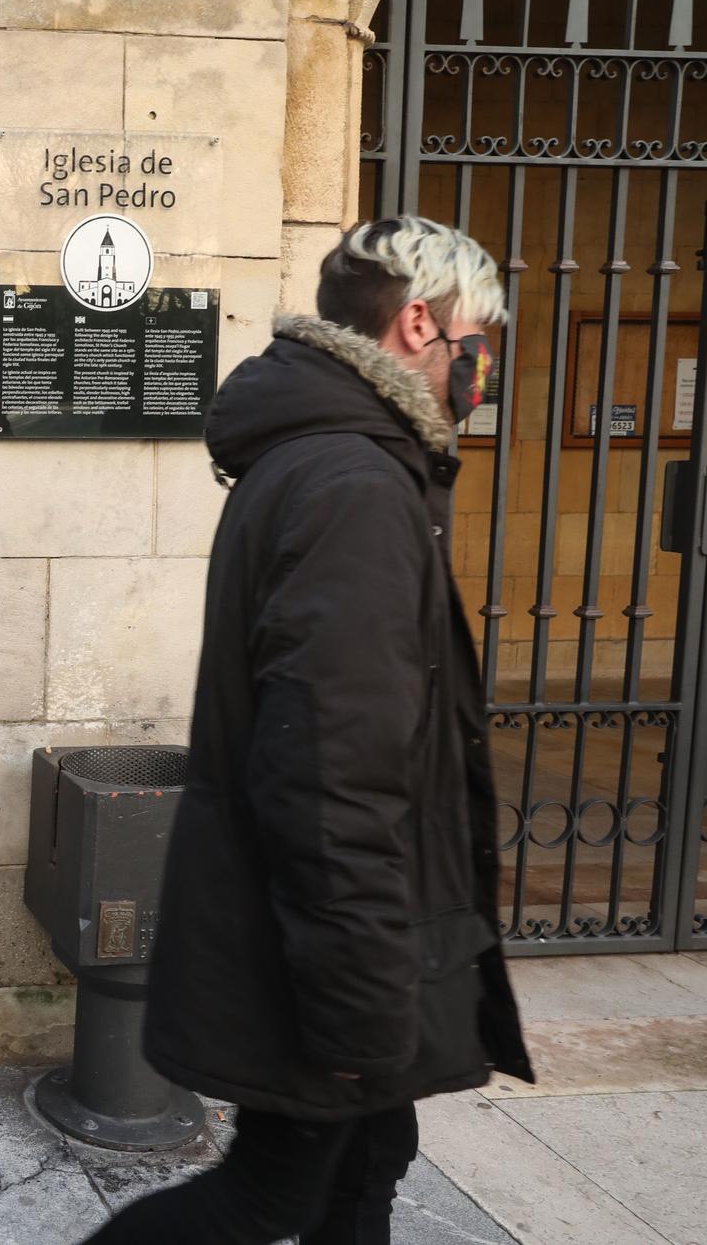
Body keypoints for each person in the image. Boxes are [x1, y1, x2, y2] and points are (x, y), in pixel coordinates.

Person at [83, 218, 533, 1244]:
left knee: (367, 1160)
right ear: (418, 322)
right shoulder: (353, 486)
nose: (485, 363)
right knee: (265, 1192)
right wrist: (360, 994)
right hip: (325, 946)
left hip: (335, 935)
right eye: (480, 335)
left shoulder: (329, 462)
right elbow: (332, 773)